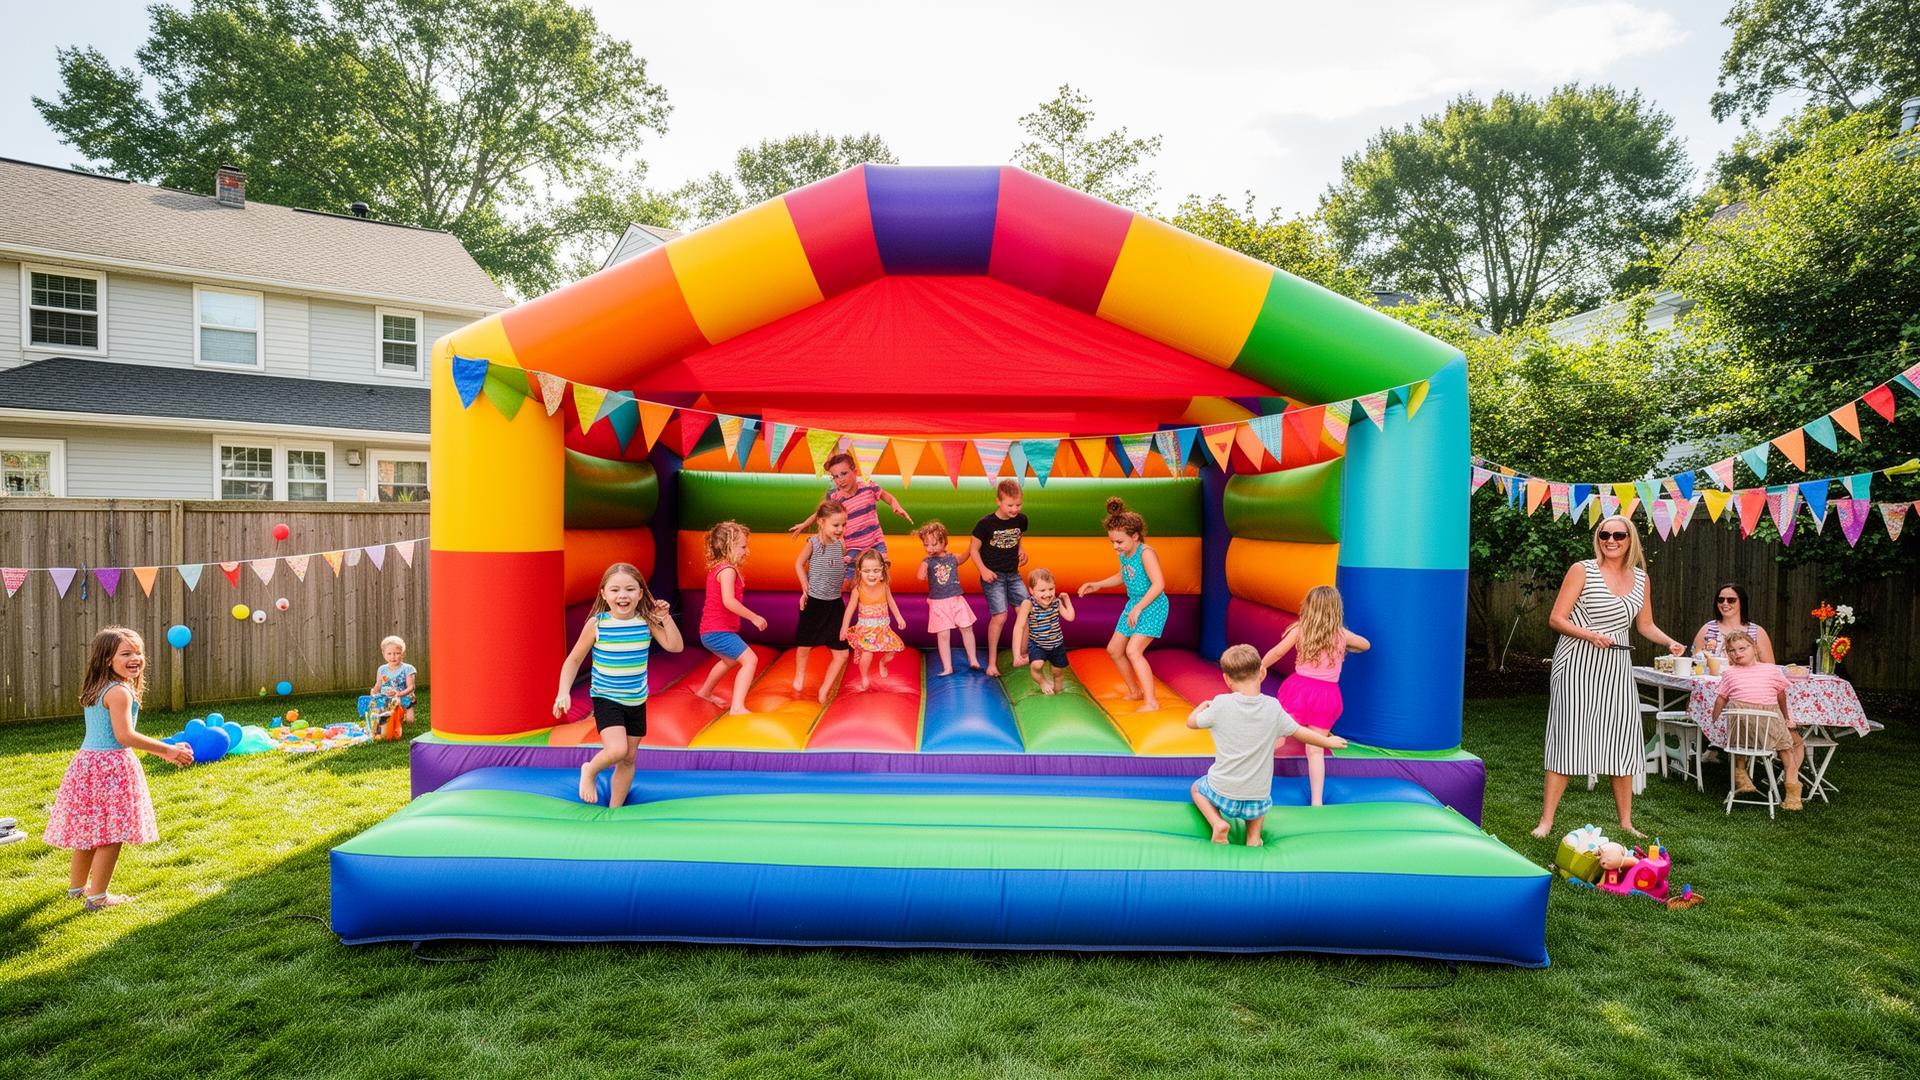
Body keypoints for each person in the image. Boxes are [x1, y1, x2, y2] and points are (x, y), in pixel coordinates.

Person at [1532, 515, 1687, 840]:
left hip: (1616, 667)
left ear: (1630, 540)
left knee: (1621, 738)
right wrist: (1590, 635)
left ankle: (1626, 822)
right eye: (1604, 534)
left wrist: (1669, 641)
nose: (1611, 540)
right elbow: (1556, 619)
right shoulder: (1582, 570)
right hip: (1576, 663)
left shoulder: (1641, 579)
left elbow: (1644, 625)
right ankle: (1546, 821)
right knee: (1568, 735)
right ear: (1598, 538)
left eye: (1619, 534)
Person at [43, 627, 194, 910]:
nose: (135, 658)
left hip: (87, 764)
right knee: (112, 835)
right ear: (106, 660)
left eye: (138, 652)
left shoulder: (96, 688)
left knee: (88, 833)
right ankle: (98, 897)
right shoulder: (120, 692)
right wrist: (167, 750)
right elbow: (124, 736)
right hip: (111, 767)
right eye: (126, 653)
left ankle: (77, 889)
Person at [1187, 644, 1348, 846]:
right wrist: (1327, 741)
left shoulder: (1220, 704)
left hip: (1222, 792)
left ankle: (1217, 823)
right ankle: (1253, 836)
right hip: (1256, 800)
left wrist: (1202, 706)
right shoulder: (1273, 708)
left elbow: (1191, 723)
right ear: (1262, 673)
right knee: (1260, 801)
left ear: (1226, 679)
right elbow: (1301, 732)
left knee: (1196, 789)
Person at [554, 563, 684, 806]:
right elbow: (573, 660)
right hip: (606, 698)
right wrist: (563, 692)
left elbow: (675, 646)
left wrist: (665, 618)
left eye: (629, 589)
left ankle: (615, 808)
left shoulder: (646, 621)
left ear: (640, 594)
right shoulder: (598, 624)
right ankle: (589, 770)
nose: (622, 595)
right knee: (617, 750)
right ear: (604, 594)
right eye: (614, 590)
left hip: (636, 699)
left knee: (629, 758)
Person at [1260, 585, 1371, 807]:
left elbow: (1279, 651)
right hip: (1327, 695)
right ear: (1335, 610)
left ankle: (1258, 786)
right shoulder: (1340, 634)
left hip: (1299, 691)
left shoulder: (1300, 630)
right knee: (1315, 748)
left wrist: (1262, 666)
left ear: (1308, 607)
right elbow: (1365, 644)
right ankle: (1317, 801)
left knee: (1277, 738)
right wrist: (1348, 647)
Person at [1077, 497, 1168, 713]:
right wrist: (1098, 585)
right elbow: (1124, 575)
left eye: (1119, 542)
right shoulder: (1125, 553)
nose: (1115, 547)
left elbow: (1159, 584)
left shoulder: (1145, 553)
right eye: (1112, 542)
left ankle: (1151, 701)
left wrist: (1138, 608)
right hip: (1135, 603)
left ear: (1135, 536)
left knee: (1133, 650)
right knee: (1114, 649)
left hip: (1153, 604)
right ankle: (1135, 691)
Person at [1712, 630, 1804, 810]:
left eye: (1741, 648)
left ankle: (1741, 774)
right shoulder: (1772, 669)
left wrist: (1714, 719)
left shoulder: (1728, 673)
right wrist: (1786, 718)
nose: (1737, 654)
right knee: (1790, 747)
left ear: (1754, 648)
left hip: (1744, 736)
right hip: (1769, 733)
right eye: (1731, 651)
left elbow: (1720, 699)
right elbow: (1781, 696)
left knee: (1738, 722)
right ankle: (1793, 795)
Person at [788, 451, 913, 578]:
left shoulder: (868, 486)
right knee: (850, 582)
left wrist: (895, 505)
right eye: (835, 477)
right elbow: (820, 513)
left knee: (880, 575)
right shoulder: (836, 498)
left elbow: (887, 497)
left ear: (855, 472)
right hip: (853, 547)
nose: (840, 480)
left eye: (844, 473)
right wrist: (804, 524)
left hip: (875, 541)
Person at [692, 521, 768, 715]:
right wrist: (754, 617)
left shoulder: (720, 568)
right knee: (750, 660)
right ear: (728, 546)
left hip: (710, 630)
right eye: (742, 546)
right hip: (718, 631)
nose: (746, 551)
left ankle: (705, 692)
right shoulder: (727, 570)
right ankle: (737, 707)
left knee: (729, 661)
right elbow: (729, 601)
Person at [791, 502, 852, 702]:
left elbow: (838, 565)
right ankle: (799, 675)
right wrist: (804, 587)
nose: (840, 529)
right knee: (804, 644)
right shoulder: (813, 543)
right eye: (836, 525)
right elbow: (798, 563)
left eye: (843, 525)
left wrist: (846, 563)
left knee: (842, 654)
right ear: (821, 522)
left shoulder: (842, 544)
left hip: (835, 604)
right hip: (815, 602)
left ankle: (824, 689)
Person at [969, 479, 1030, 677]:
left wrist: (1021, 551)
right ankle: (992, 662)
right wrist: (983, 570)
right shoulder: (985, 524)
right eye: (1010, 505)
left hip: (1013, 574)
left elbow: (1018, 537)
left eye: (1018, 505)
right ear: (998, 501)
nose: (1014, 509)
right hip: (993, 576)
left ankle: (1022, 655)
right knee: (1000, 616)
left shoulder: (1021, 520)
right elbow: (974, 550)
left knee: (1026, 611)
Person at [915, 520, 979, 676]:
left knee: (967, 628)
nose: (929, 548)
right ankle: (948, 667)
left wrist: (972, 545)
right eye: (926, 545)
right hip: (938, 603)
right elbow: (919, 576)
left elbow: (964, 557)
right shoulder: (927, 561)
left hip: (956, 600)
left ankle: (973, 659)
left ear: (944, 542)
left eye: (934, 544)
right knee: (943, 635)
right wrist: (922, 572)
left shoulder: (952, 558)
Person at [840, 548, 907, 691]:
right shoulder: (857, 589)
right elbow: (850, 610)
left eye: (876, 570)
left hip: (883, 628)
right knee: (867, 654)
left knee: (891, 652)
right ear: (859, 571)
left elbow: (891, 602)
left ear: (882, 570)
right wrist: (844, 627)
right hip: (866, 630)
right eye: (867, 571)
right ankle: (864, 676)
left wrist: (899, 617)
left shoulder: (884, 586)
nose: (871, 575)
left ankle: (883, 663)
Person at [1012, 568, 1076, 694]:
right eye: (1042, 590)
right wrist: (1016, 655)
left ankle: (1058, 692)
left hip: (1057, 644)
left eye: (1051, 589)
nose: (1047, 594)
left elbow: (1070, 617)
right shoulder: (1028, 604)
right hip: (1037, 644)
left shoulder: (1056, 602)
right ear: (1031, 591)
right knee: (1037, 665)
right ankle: (1042, 681)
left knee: (1057, 672)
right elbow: (1018, 627)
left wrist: (1067, 601)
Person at [1691, 582, 1775, 662]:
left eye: (1731, 600)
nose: (1725, 603)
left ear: (1741, 602)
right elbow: (1693, 659)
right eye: (1720, 600)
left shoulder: (1757, 632)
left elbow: (1770, 667)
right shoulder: (1707, 629)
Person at [364, 635, 417, 739]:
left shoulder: (408, 668)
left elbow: (411, 687)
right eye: (389, 653)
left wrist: (399, 694)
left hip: (403, 696)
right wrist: (374, 692)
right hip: (386, 698)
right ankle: (388, 720)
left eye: (397, 653)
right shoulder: (382, 669)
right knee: (383, 718)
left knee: (410, 721)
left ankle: (404, 713)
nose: (393, 657)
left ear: (403, 654)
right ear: (384, 654)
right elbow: (378, 684)